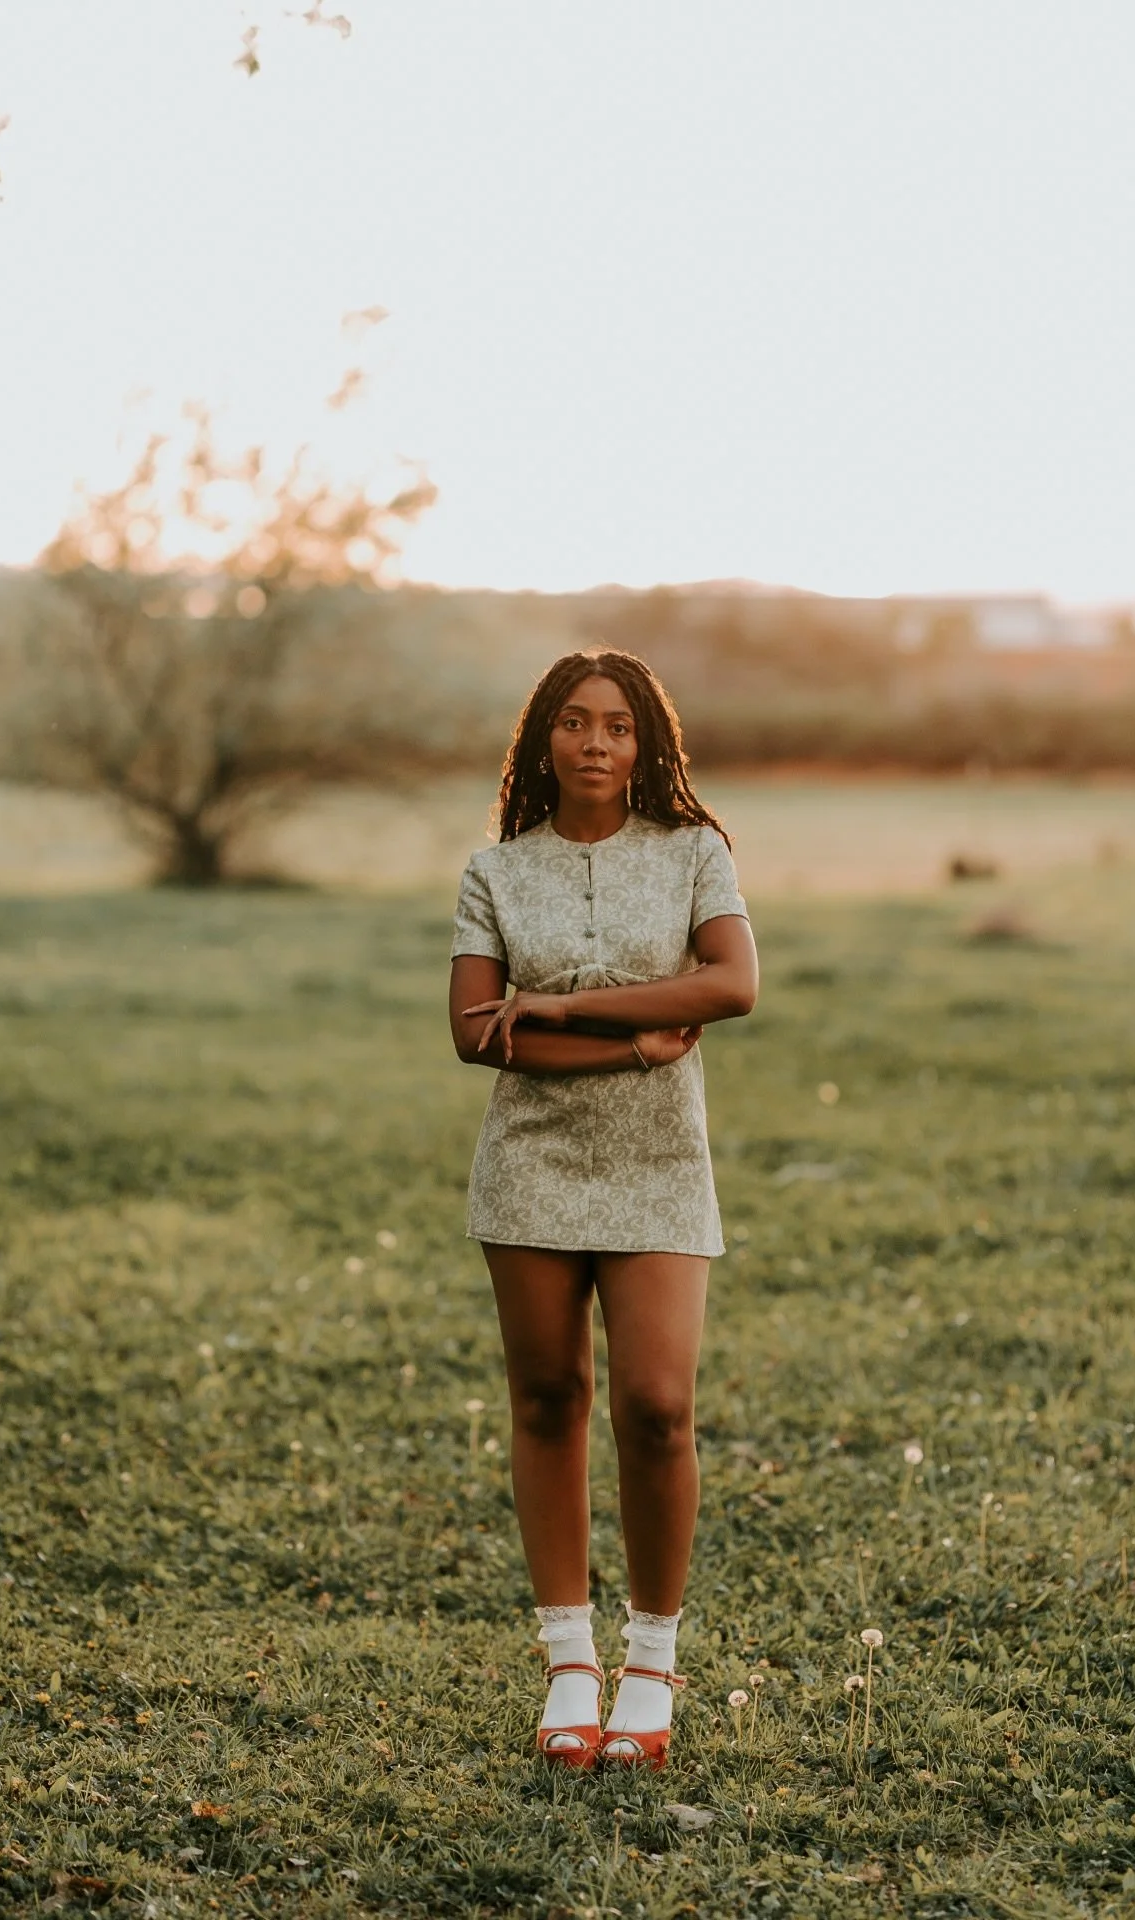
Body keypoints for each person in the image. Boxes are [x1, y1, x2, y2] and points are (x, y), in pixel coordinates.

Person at [448, 649, 758, 1772]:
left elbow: (731, 985)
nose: (594, 743)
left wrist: (557, 1011)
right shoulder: (496, 869)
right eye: (573, 724)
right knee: (545, 1398)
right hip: (528, 1167)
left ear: (646, 745)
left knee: (658, 1406)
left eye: (616, 727)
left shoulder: (692, 856)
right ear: (543, 740)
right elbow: (476, 1032)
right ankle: (570, 1663)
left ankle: (652, 1667)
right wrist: (631, 1042)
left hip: (662, 1164)